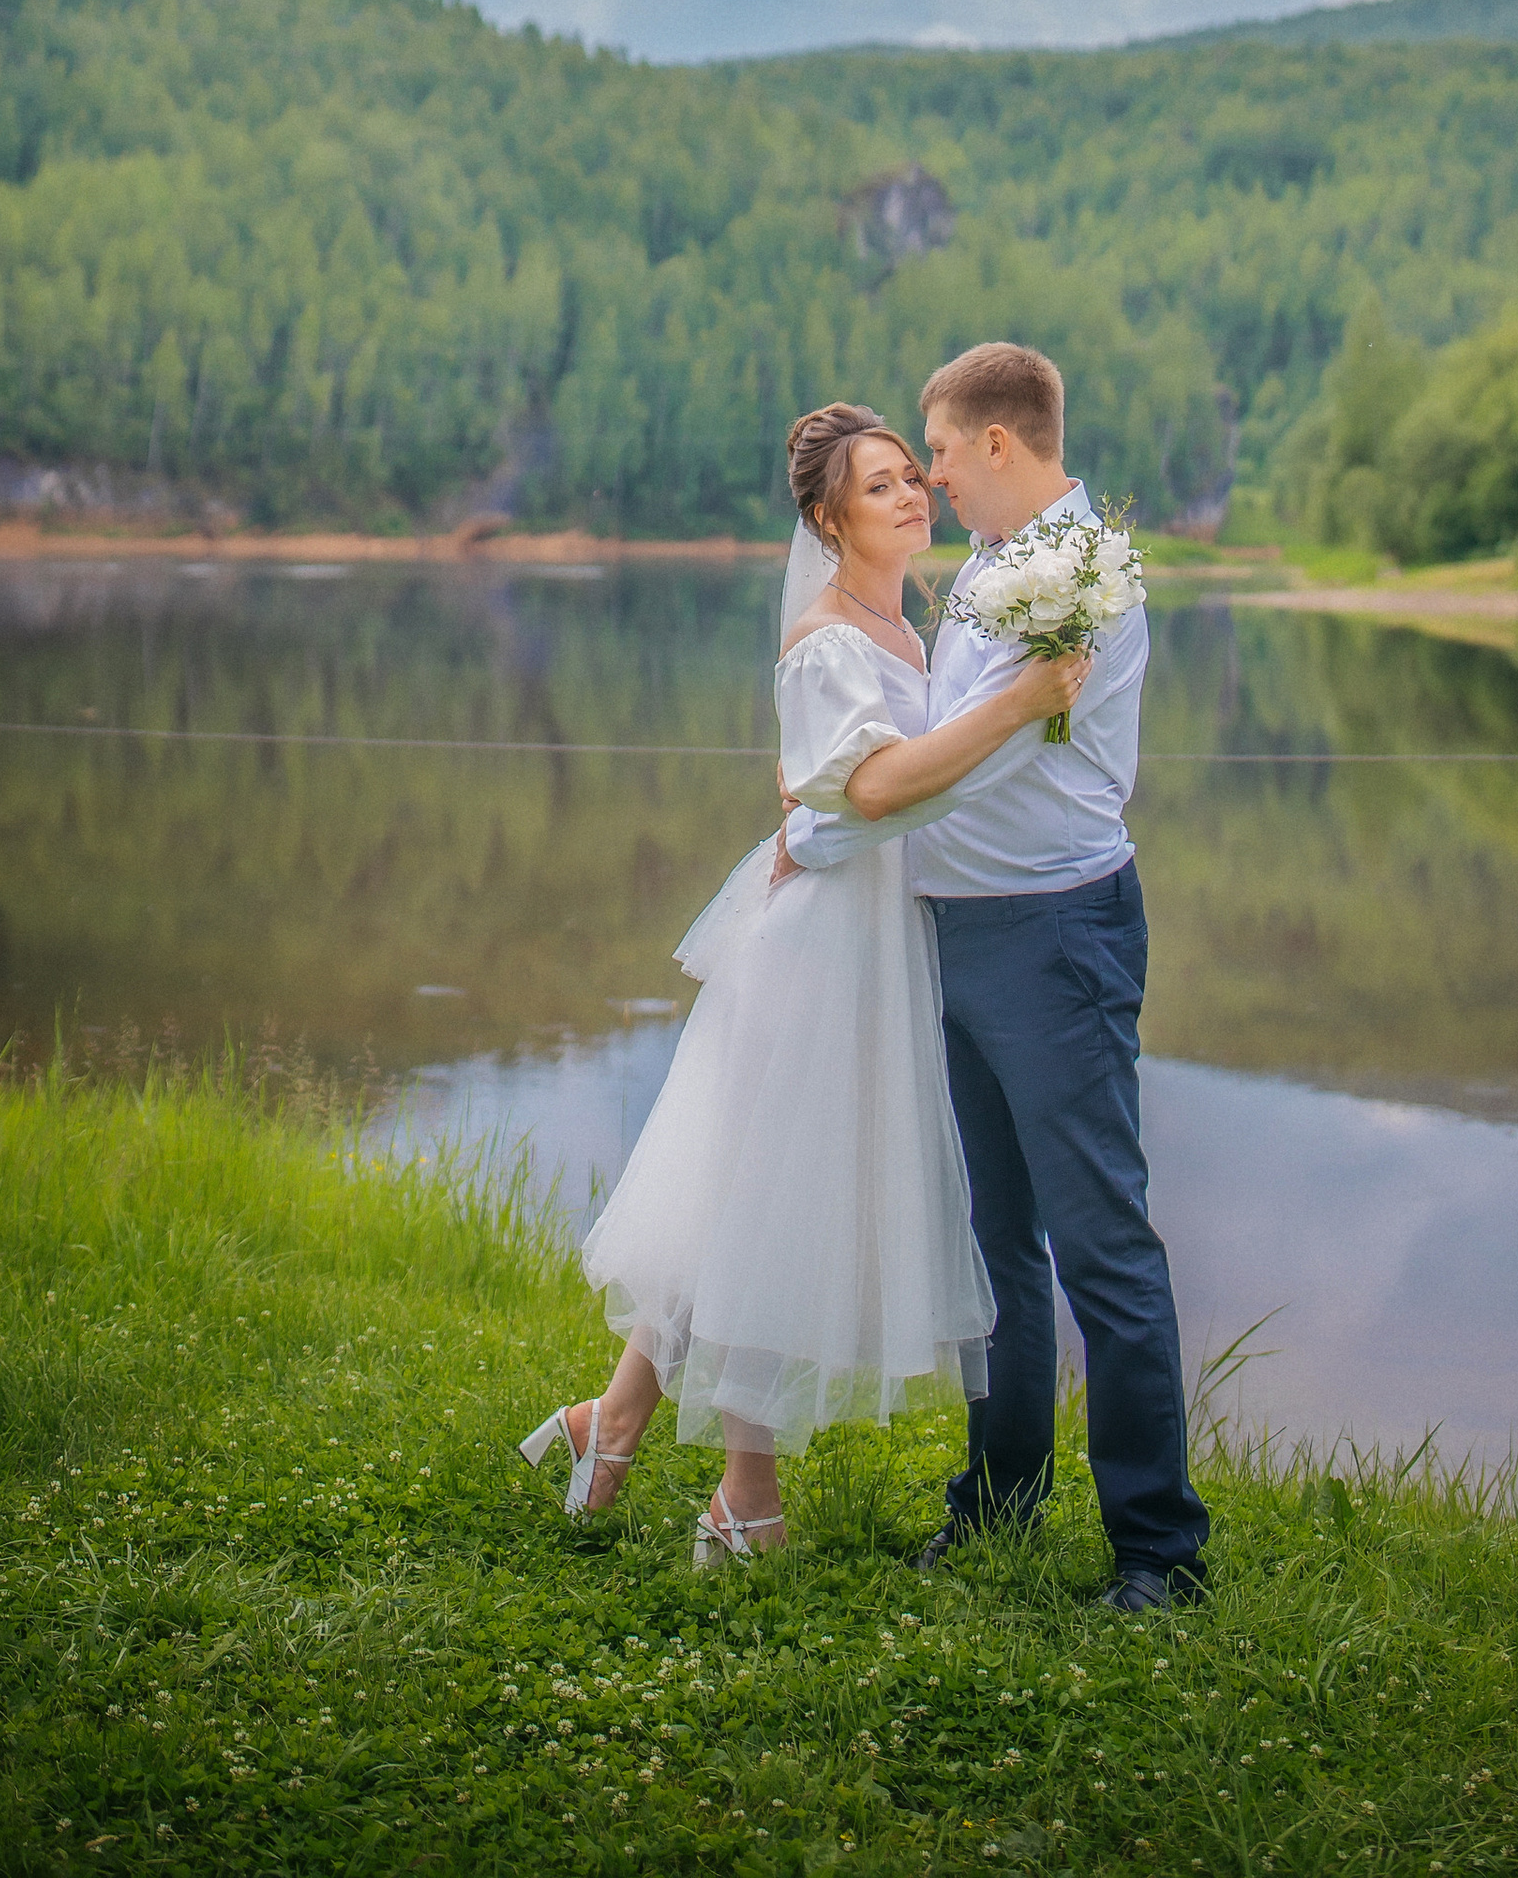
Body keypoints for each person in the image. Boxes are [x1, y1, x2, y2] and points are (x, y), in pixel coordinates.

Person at [518, 401, 1087, 1567]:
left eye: (908, 478)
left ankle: (612, 1422)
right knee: (774, 1208)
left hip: (878, 943)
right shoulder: (829, 639)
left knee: (753, 1199)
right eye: (878, 486)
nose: (909, 495)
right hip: (821, 954)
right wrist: (1012, 709)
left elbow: (863, 795)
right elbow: (867, 798)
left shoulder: (910, 638)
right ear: (829, 520)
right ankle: (744, 1496)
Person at [782, 341, 1210, 1611]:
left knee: (1100, 1247)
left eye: (946, 458)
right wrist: (815, 827)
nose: (936, 485)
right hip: (959, 929)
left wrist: (833, 818)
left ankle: (1158, 1553)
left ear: (1001, 446)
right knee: (998, 1249)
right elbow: (927, 745)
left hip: (1053, 933)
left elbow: (978, 762)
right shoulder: (988, 575)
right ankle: (997, 1510)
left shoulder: (1080, 574)